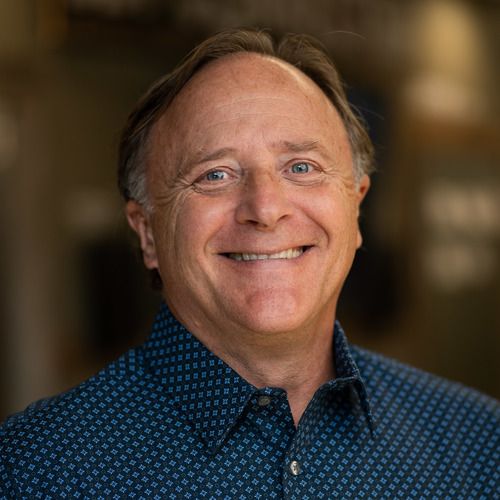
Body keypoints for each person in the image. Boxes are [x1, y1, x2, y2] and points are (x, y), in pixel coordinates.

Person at [1, 28, 498, 499]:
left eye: (301, 167)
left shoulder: (479, 447)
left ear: (356, 208)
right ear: (147, 232)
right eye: (215, 175)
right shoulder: (32, 471)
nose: (265, 208)